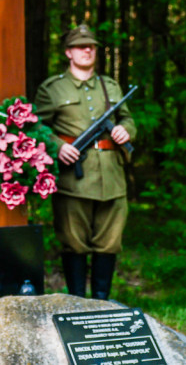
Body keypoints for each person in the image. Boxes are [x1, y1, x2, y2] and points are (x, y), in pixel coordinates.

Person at [34, 24, 136, 301]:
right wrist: (58, 146)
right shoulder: (53, 89)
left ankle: (101, 304)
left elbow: (127, 119)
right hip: (73, 179)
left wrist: (126, 130)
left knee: (109, 243)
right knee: (74, 243)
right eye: (81, 46)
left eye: (91, 46)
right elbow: (35, 127)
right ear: (69, 52)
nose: (87, 50)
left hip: (111, 176)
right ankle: (77, 303)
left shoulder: (111, 87)